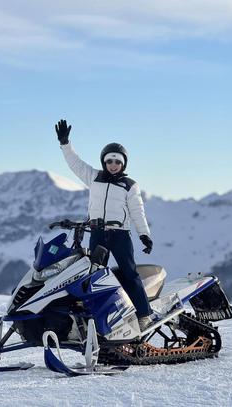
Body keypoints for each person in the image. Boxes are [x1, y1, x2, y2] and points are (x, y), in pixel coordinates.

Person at [55, 119, 156, 331]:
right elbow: (75, 163)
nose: (113, 165)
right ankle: (97, 316)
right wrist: (65, 143)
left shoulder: (130, 185)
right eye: (109, 161)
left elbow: (138, 211)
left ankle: (144, 314)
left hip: (119, 234)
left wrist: (144, 234)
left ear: (124, 164)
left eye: (117, 162)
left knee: (129, 274)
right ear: (104, 162)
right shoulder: (94, 177)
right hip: (97, 233)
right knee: (93, 275)